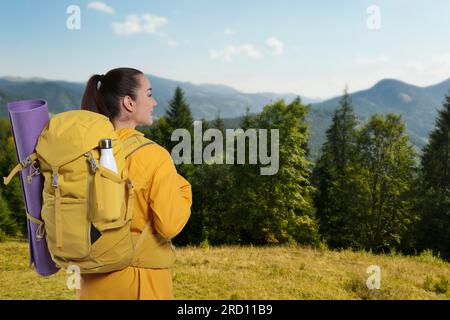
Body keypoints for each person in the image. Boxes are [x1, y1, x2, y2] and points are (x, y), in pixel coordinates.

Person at [76, 67, 192, 299]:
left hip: (91, 285)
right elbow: (169, 226)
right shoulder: (153, 156)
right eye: (148, 94)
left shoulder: (83, 152)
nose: (154, 102)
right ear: (129, 103)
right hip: (141, 283)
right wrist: (184, 190)